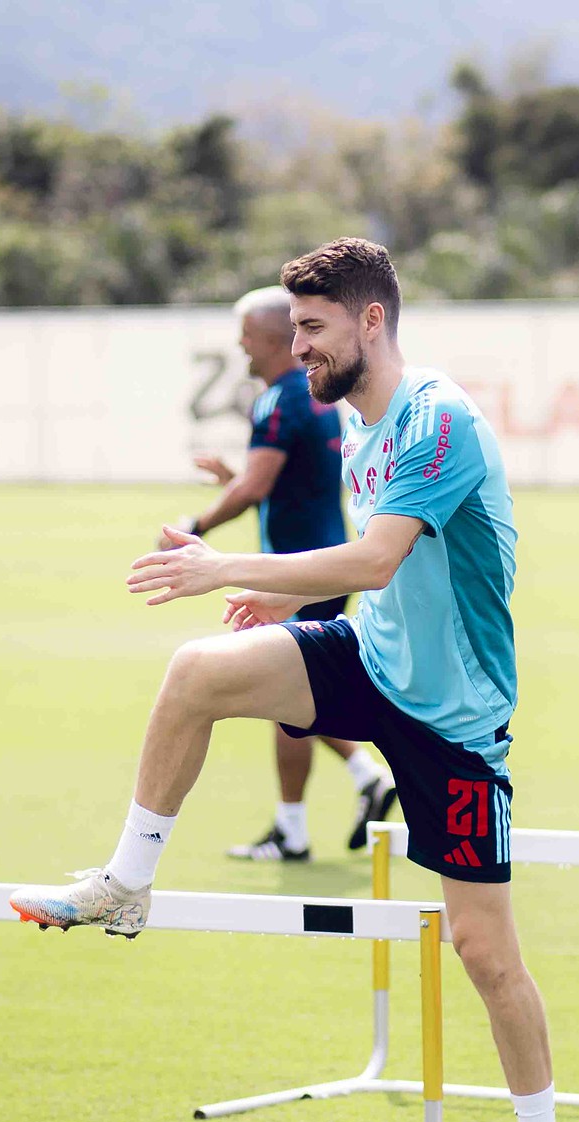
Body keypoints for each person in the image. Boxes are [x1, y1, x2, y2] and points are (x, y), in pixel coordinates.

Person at [10, 238, 576, 1122]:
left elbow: (375, 554)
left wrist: (232, 570)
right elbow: (370, 574)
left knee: (484, 953)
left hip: (455, 714)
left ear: (370, 321)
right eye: (293, 328)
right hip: (372, 657)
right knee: (194, 673)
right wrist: (288, 601)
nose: (294, 346)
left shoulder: (434, 419)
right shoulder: (359, 421)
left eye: (311, 329)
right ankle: (124, 881)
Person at [174, 286, 396, 861]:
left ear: (271, 338)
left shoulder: (278, 400)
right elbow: (284, 483)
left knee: (285, 697)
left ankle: (295, 828)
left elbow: (257, 488)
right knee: (297, 694)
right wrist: (234, 478)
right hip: (326, 565)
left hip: (297, 574)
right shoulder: (324, 398)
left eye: (247, 336)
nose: (242, 348)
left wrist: (193, 524)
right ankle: (362, 780)